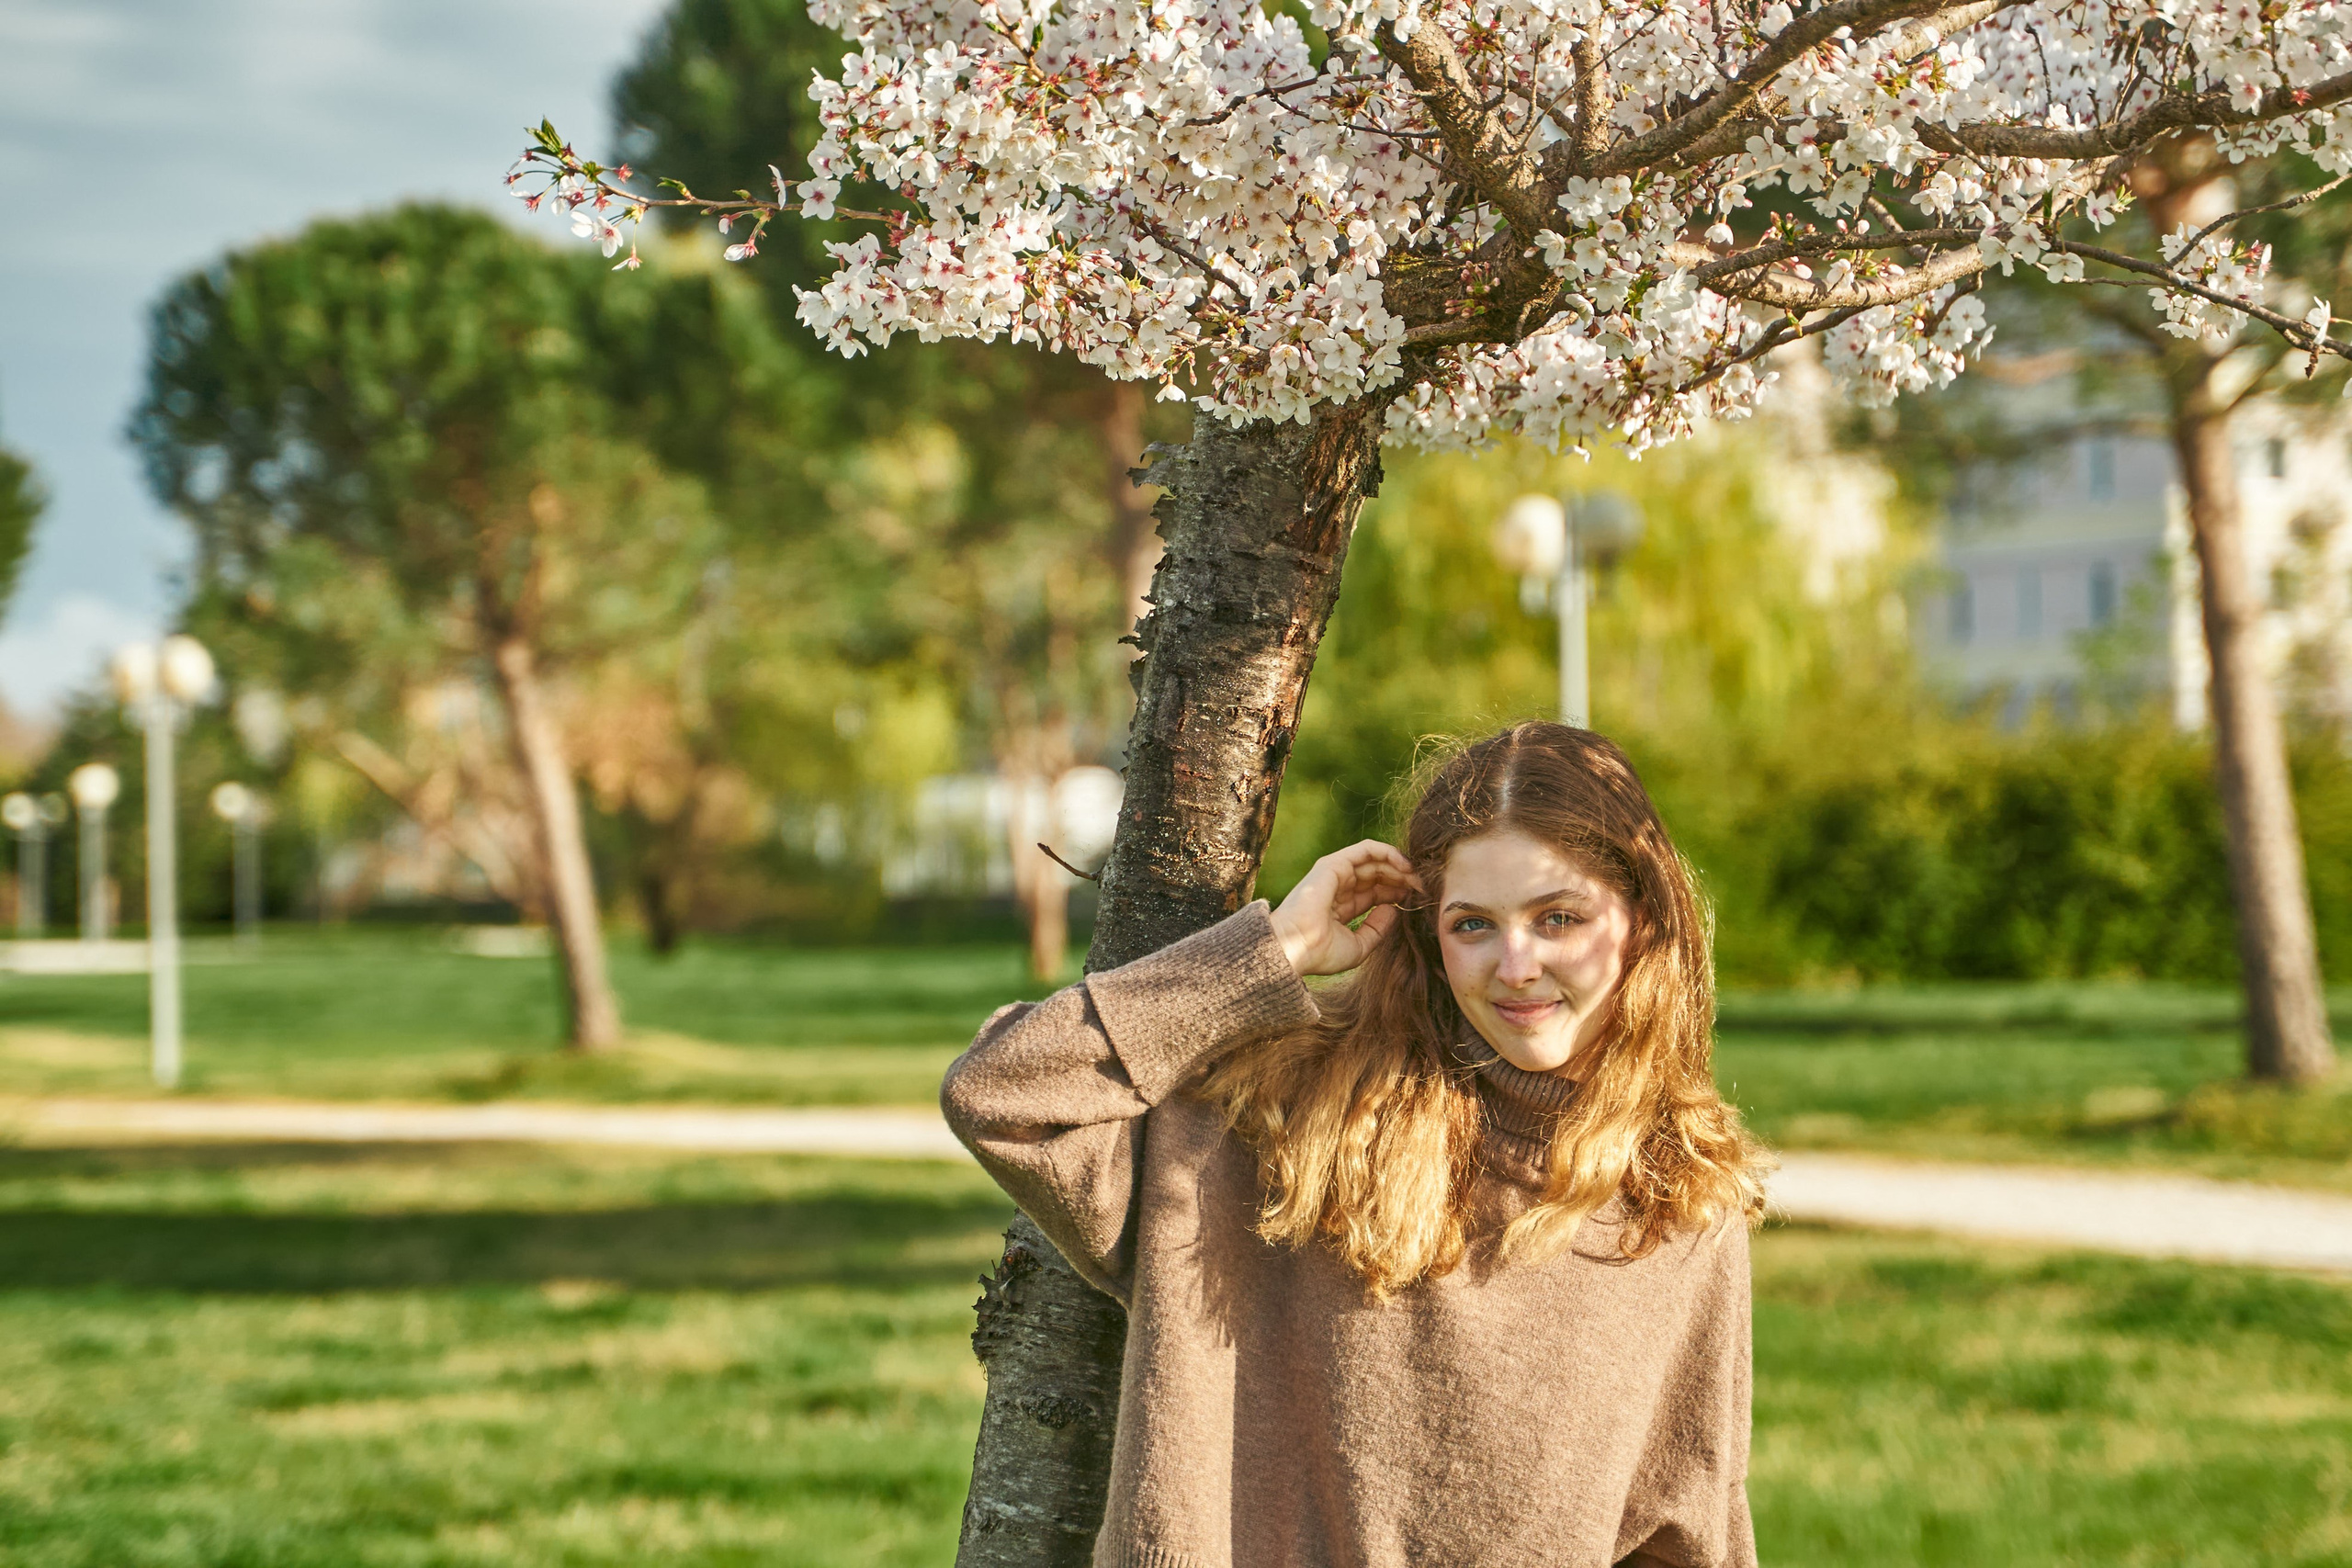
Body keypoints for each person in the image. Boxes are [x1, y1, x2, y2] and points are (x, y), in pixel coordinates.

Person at [942, 722, 1770, 1567]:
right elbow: (1003, 1092)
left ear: (1641, 920)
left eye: (1559, 917)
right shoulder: (1268, 1122)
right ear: (1424, 935)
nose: (1516, 964)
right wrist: (1269, 954)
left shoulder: (1680, 1204)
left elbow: (1687, 1535)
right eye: (1473, 924)